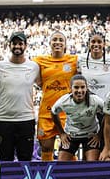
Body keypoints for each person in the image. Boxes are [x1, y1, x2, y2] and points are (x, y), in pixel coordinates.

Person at [0, 31, 41, 162]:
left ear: (25, 45)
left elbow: (42, 84)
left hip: (26, 120)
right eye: (14, 43)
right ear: (9, 45)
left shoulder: (34, 67)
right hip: (4, 120)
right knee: (5, 160)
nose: (17, 46)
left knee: (25, 161)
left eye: (20, 43)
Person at [34, 31, 80, 161]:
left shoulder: (74, 60)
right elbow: (38, 81)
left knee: (69, 149)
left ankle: (72, 173)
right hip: (46, 112)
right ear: (50, 43)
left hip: (67, 113)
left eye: (61, 40)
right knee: (46, 148)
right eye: (54, 39)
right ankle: (48, 173)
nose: (57, 42)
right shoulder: (40, 61)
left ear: (65, 44)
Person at [50, 75, 105, 161]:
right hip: (71, 135)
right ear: (70, 88)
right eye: (76, 87)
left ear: (86, 88)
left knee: (92, 163)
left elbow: (108, 114)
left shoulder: (95, 100)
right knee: (61, 164)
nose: (79, 91)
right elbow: (53, 112)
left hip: (90, 135)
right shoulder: (64, 101)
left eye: (82, 87)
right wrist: (61, 133)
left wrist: (99, 135)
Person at [82, 31, 110, 100]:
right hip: (88, 104)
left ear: (104, 44)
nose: (96, 44)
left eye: (99, 42)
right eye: (93, 42)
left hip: (106, 104)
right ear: (88, 44)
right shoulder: (81, 60)